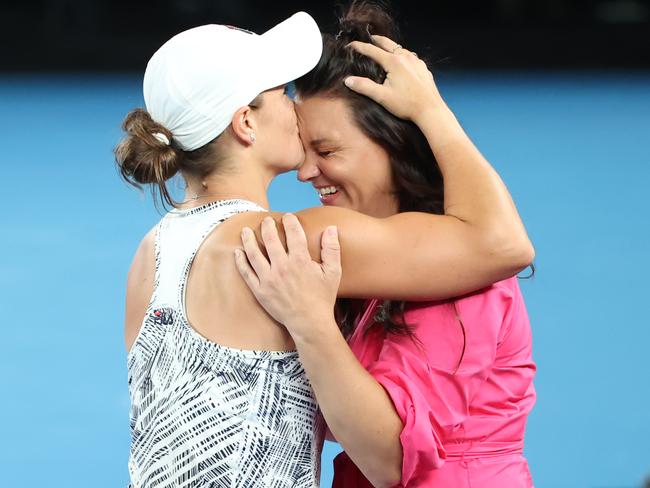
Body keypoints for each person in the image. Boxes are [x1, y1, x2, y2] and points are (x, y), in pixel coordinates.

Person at [115, 10, 533, 488]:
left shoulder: (150, 255)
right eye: (279, 93)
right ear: (246, 123)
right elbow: (502, 243)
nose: (293, 107)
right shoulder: (293, 242)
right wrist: (430, 109)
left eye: (328, 150)